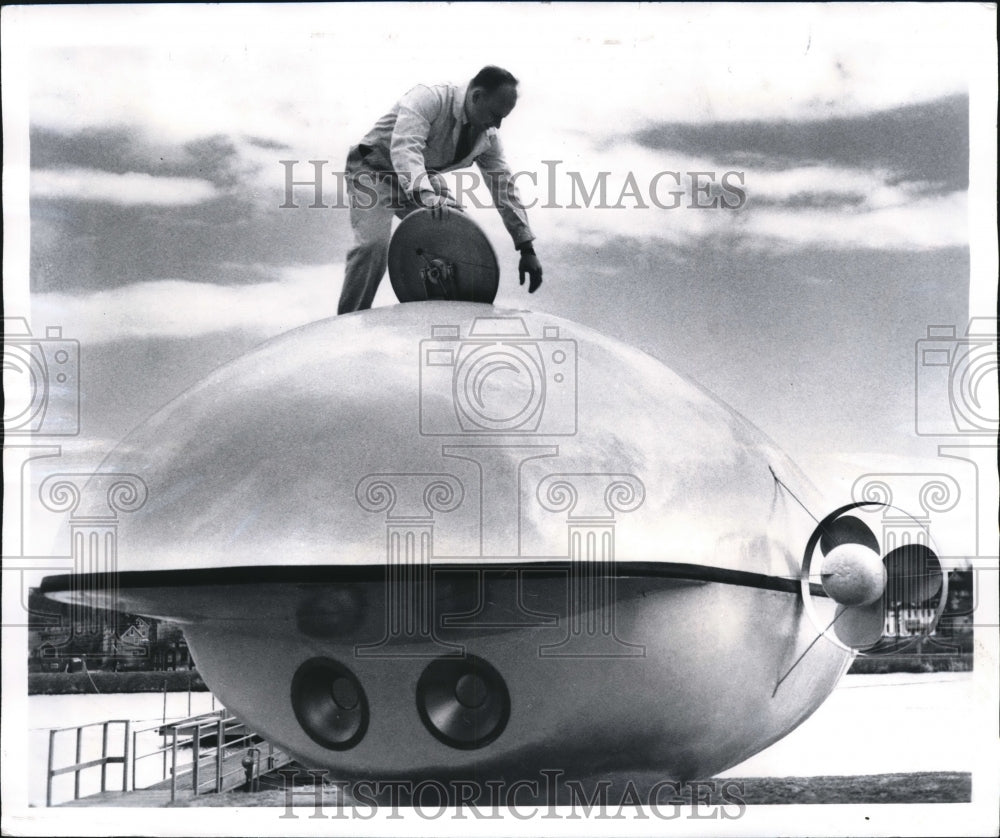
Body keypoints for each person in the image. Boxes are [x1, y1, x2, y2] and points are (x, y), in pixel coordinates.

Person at [338, 66, 543, 314]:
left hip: (420, 176)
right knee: (373, 246)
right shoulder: (429, 98)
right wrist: (426, 196)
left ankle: (447, 316)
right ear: (476, 96)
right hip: (372, 169)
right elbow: (405, 147)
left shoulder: (487, 137)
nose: (497, 125)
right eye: (494, 114)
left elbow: (504, 185)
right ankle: (348, 321)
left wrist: (526, 248)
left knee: (459, 232)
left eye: (503, 118)